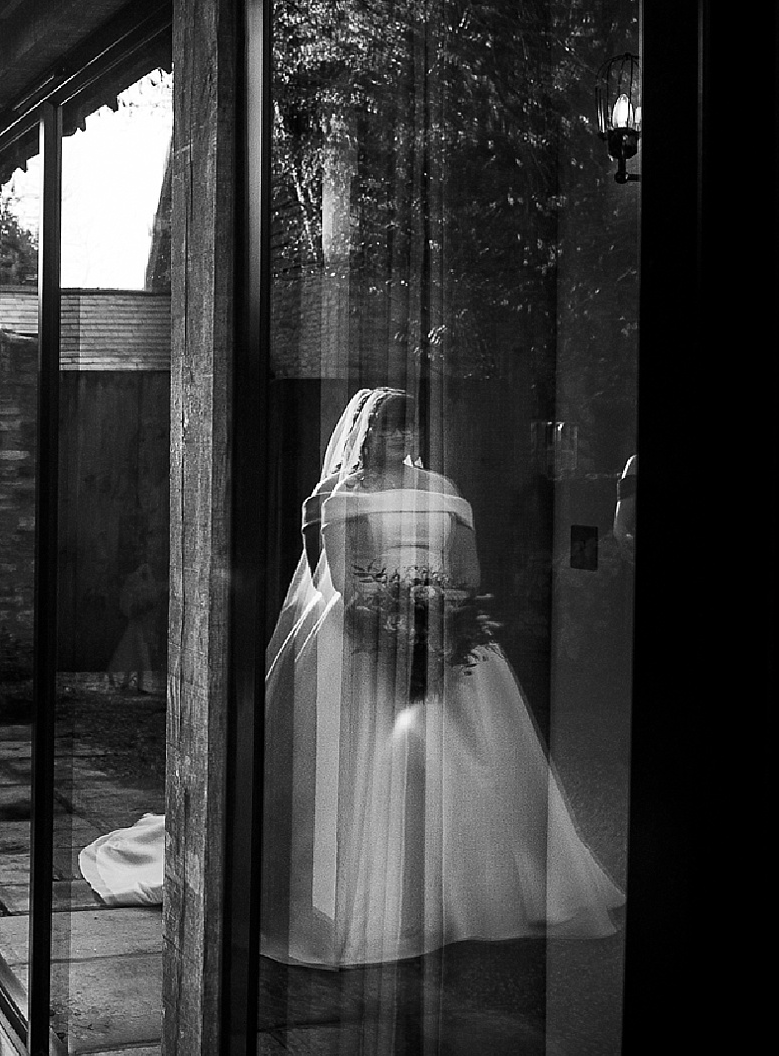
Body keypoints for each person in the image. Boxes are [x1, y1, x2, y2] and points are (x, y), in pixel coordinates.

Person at [260, 387, 623, 969]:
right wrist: (393, 624)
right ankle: (378, 901)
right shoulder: (334, 495)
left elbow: (468, 569)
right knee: (371, 764)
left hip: (444, 622)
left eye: (407, 431)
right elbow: (345, 578)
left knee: (473, 760)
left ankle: (474, 892)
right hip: (362, 626)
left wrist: (445, 620)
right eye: (386, 429)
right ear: (363, 432)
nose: (397, 440)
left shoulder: (443, 491)